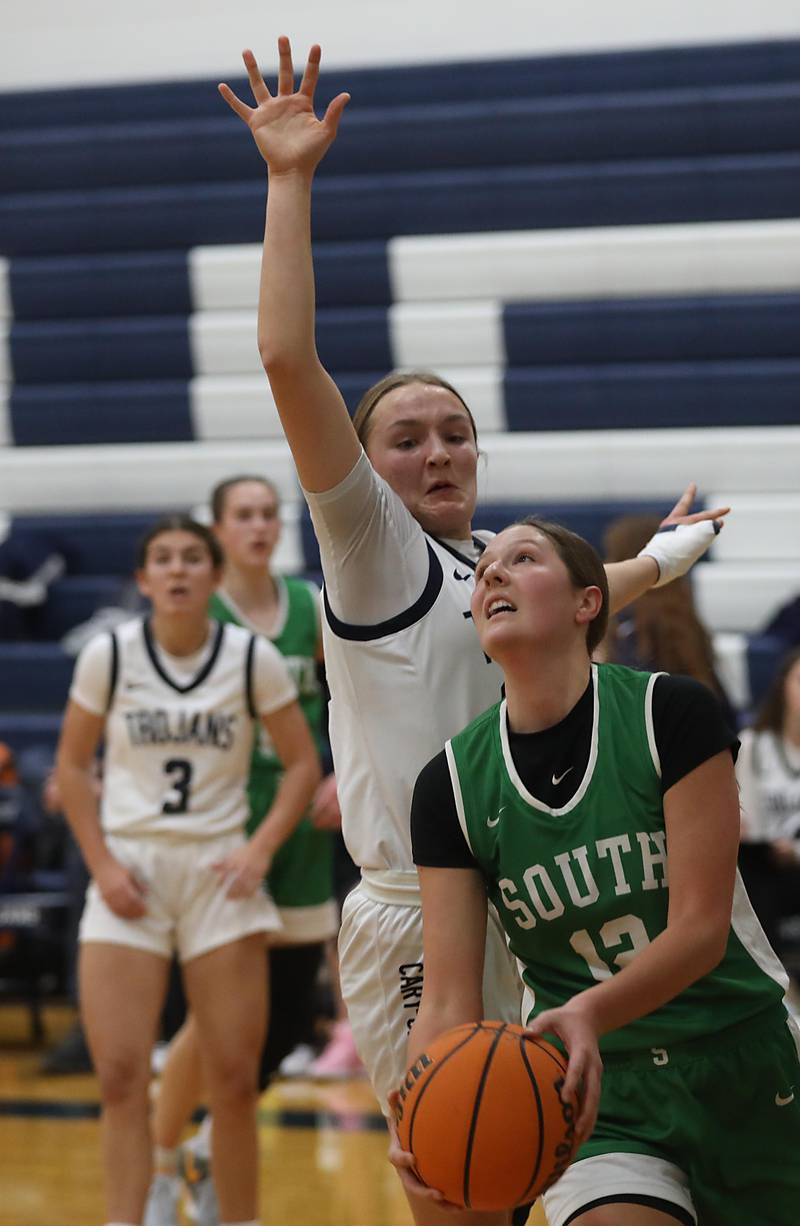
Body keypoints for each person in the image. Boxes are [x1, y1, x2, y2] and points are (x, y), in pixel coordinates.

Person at [219, 38, 728, 1226]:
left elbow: (573, 587)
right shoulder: (371, 546)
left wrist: (661, 558)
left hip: (531, 900)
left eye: (453, 430)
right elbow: (288, 359)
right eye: (405, 436)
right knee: (460, 1192)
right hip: (414, 912)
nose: (436, 448)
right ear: (365, 464)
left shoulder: (481, 559)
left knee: (560, 1181)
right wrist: (288, 181)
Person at [400, 516, 800, 1226]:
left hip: (745, 1056)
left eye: (521, 559)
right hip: (595, 1092)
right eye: (485, 567)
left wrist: (588, 1009)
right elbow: (447, 997)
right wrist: (420, 1108)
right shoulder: (451, 785)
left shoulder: (668, 713)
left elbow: (702, 930)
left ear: (590, 602)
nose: (492, 572)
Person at [56, 514, 321, 1226]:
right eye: (163, 560)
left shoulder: (250, 657)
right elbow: (72, 769)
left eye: (191, 559)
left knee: (234, 1080)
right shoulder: (108, 655)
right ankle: (130, 1213)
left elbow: (302, 764)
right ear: (144, 579)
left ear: (213, 575)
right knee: (118, 1076)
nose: (177, 571)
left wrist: (260, 847)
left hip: (217, 870)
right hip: (129, 872)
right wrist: (102, 864)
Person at [144, 476, 354, 1226]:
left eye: (270, 513)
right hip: (227, 833)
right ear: (218, 531)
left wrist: (342, 772)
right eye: (245, 516)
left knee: (290, 1018)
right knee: (217, 1014)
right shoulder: (202, 613)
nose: (260, 526)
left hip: (298, 832)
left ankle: (204, 1145)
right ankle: (161, 1163)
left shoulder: (308, 608)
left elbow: (354, 698)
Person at [602, 513, 738, 728]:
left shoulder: (625, 626)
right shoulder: (684, 619)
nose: (605, 563)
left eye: (611, 555)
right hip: (697, 736)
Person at [736, 647, 800, 968]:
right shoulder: (753, 745)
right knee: (748, 862)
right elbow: (746, 822)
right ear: (783, 686)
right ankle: (768, 975)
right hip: (765, 867)